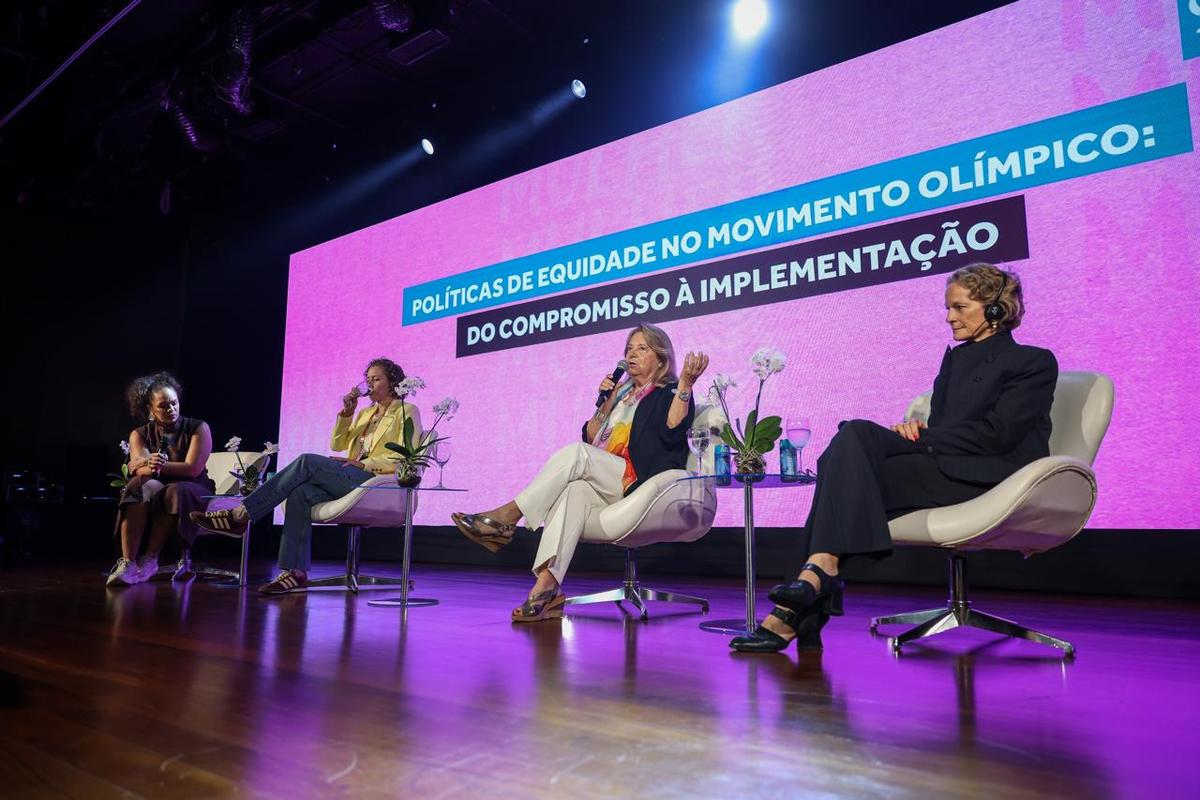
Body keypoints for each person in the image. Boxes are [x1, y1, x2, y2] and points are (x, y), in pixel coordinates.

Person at [731, 262, 1058, 652]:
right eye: (947, 308)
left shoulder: (1033, 362)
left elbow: (997, 435)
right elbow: (949, 430)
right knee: (852, 437)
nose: (949, 318)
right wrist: (918, 434)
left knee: (847, 477)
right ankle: (819, 572)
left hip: (992, 476)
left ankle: (797, 609)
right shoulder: (955, 359)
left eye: (959, 307)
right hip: (944, 463)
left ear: (994, 309)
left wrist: (924, 436)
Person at [452, 323, 709, 622]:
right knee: (573, 489)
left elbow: (673, 432)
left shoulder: (669, 392)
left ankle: (508, 516)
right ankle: (546, 590)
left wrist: (686, 386)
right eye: (629, 349)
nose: (632, 354)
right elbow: (592, 436)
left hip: (642, 482)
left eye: (642, 348)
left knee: (576, 454)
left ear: (661, 358)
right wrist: (607, 402)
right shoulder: (622, 394)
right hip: (609, 478)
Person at [190, 358, 421, 594]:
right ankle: (295, 571)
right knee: (301, 493)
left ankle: (241, 515)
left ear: (392, 381)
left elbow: (407, 458)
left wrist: (364, 464)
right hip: (348, 479)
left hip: (373, 482)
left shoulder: (406, 411)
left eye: (376, 379)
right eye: (368, 379)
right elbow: (337, 443)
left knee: (307, 461)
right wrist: (346, 414)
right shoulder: (364, 413)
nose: (369, 384)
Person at [109, 372, 215, 587]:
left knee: (174, 491)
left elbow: (192, 469)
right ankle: (128, 563)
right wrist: (144, 465)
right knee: (137, 486)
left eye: (174, 403)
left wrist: (153, 464)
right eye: (163, 406)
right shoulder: (139, 433)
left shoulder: (198, 428)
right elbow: (139, 469)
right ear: (150, 409)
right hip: (159, 483)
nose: (171, 409)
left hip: (193, 486)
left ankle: (150, 559)